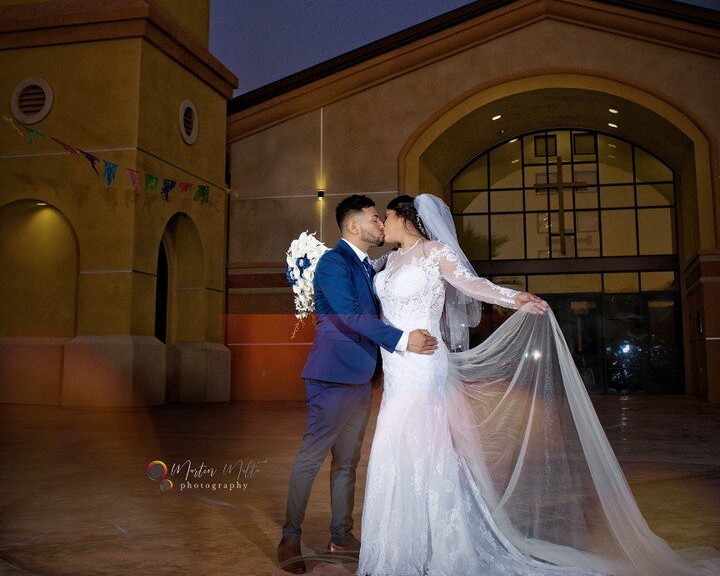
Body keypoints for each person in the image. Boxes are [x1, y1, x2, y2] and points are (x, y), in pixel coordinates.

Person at [357, 193, 720, 576]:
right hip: (397, 365)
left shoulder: (435, 253)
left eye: (387, 217)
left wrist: (516, 298)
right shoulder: (387, 261)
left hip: (426, 364)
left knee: (425, 447)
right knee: (392, 446)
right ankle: (398, 548)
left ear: (405, 217)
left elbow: (474, 286)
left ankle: (441, 548)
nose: (383, 224)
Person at [277, 194, 440, 574]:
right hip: (332, 376)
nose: (381, 223)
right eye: (374, 218)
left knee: (348, 462)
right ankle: (289, 536)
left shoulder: (370, 266)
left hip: (363, 377)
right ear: (354, 226)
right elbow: (350, 316)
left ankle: (342, 537)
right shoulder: (334, 263)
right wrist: (402, 339)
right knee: (312, 458)